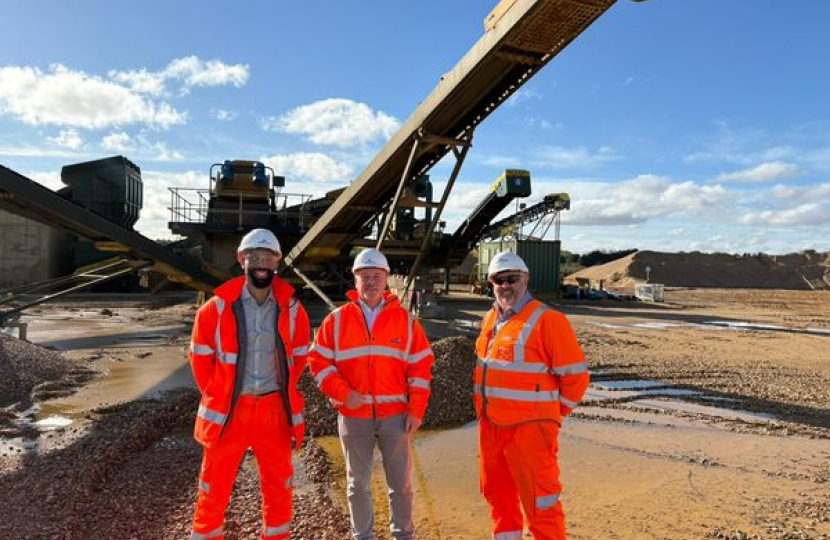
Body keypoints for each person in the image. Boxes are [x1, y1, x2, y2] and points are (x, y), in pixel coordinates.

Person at [188, 228, 310, 540]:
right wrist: (222, 394)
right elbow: (201, 362)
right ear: (241, 260)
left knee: (279, 487)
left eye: (267, 257)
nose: (261, 263)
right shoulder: (214, 310)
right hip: (230, 411)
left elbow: (298, 360)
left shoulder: (294, 310)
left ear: (276, 262)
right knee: (213, 486)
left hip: (273, 412)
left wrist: (279, 393)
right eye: (253, 257)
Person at [308, 248, 434, 540]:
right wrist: (342, 392)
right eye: (365, 276)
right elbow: (318, 362)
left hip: (396, 417)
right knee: (357, 484)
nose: (371, 282)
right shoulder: (336, 321)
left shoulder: (406, 322)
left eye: (376, 276)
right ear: (355, 281)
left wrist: (416, 411)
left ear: (386, 279)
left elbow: (421, 369)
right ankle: (362, 536)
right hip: (354, 416)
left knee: (401, 485)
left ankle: (403, 535)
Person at [474, 251, 589, 540]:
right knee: (498, 498)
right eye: (498, 280)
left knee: (541, 502)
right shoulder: (490, 320)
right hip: (491, 428)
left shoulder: (548, 320)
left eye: (511, 278)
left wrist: (550, 414)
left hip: (530, 432)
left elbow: (575, 378)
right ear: (491, 283)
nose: (505, 285)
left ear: (525, 279)